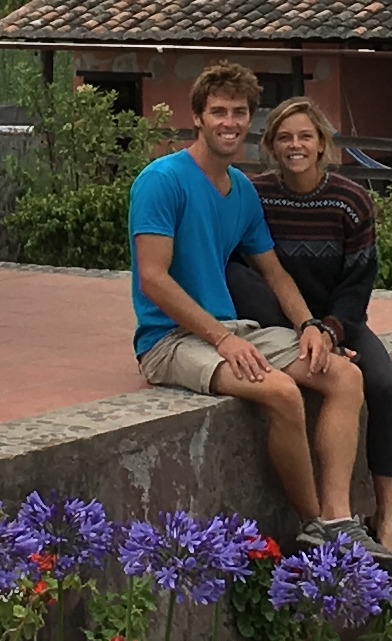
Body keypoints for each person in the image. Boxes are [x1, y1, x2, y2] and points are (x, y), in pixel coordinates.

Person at [129, 62, 376, 549]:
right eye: (217, 111)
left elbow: (273, 271)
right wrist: (221, 339)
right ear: (197, 117)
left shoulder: (240, 189)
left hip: (230, 329)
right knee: (282, 392)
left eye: (238, 112)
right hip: (169, 340)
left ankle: (338, 517)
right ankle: (316, 528)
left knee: (344, 375)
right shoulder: (162, 180)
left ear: (249, 120)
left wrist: (309, 325)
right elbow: (154, 280)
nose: (229, 121)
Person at [255, 98, 392, 553]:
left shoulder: (351, 199)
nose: (295, 145)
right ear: (272, 147)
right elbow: (250, 269)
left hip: (342, 322)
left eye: (304, 136)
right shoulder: (256, 196)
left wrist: (331, 333)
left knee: (382, 387)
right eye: (284, 138)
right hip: (281, 324)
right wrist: (300, 329)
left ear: (321, 144)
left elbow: (359, 282)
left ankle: (387, 517)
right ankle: (328, 518)